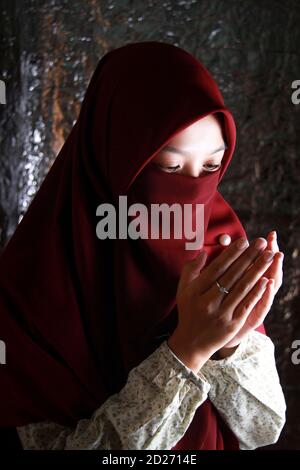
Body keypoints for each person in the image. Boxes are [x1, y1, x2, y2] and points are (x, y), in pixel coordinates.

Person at [0, 41, 286, 450]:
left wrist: (233, 343)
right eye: (168, 167)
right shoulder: (33, 283)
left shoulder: (220, 245)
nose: (191, 192)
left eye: (210, 167)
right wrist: (187, 351)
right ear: (112, 157)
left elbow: (262, 430)